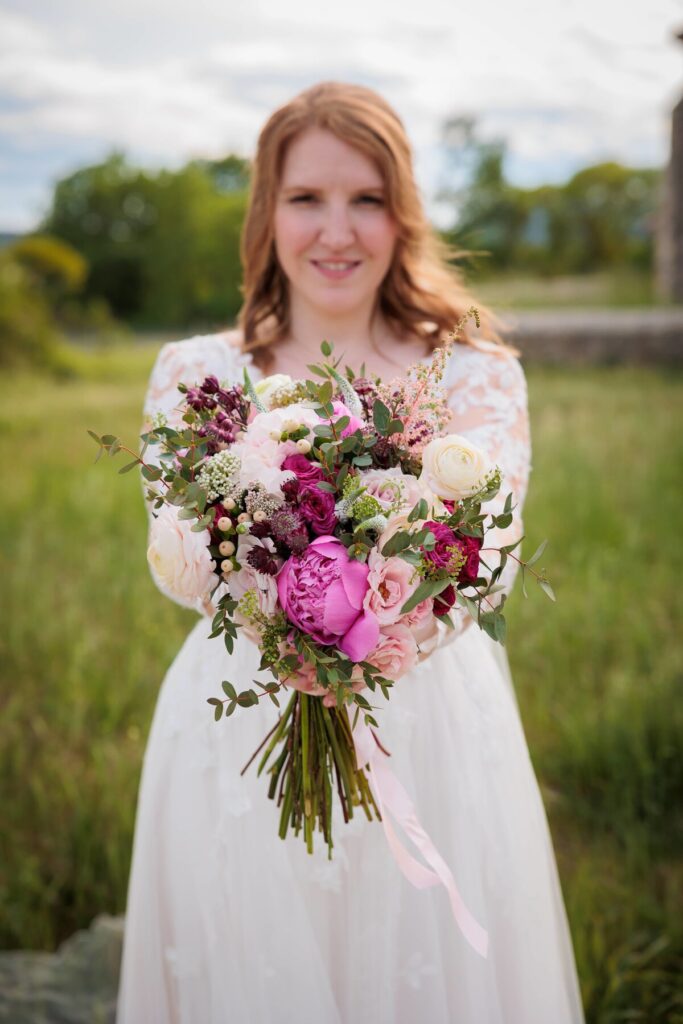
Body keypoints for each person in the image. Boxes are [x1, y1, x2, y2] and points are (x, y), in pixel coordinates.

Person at [116, 81, 585, 1023]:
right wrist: (286, 629)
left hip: (432, 726)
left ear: (402, 213)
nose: (337, 230)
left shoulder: (473, 375)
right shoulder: (199, 374)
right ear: (268, 214)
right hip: (236, 725)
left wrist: (374, 627)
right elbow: (179, 553)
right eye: (307, 199)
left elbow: (483, 552)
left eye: (366, 199)